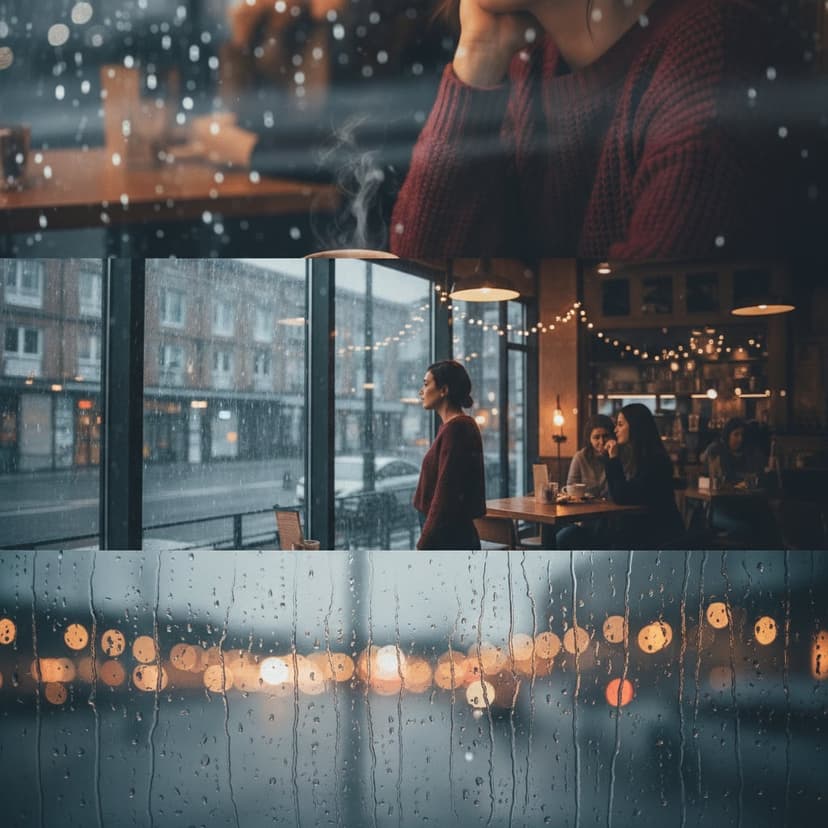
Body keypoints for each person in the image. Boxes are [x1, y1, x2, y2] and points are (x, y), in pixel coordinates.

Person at [390, 0, 797, 259]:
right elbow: (428, 269)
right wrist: (478, 55)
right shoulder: (525, 63)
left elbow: (647, 316)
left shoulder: (711, 54)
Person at [413, 360, 487, 549]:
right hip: (449, 534)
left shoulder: (457, 429)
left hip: (448, 537)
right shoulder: (453, 427)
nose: (421, 391)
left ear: (444, 390)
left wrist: (424, 543)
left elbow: (446, 494)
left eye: (426, 384)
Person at [701, 417, 766, 486]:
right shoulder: (717, 450)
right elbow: (719, 476)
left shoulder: (749, 452)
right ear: (728, 435)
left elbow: (757, 475)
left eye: (742, 435)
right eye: (736, 435)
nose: (740, 439)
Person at [566, 414, 615, 497]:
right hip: (586, 507)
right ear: (589, 439)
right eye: (596, 437)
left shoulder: (617, 457)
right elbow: (571, 488)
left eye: (605, 436)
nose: (602, 441)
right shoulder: (580, 457)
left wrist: (613, 457)